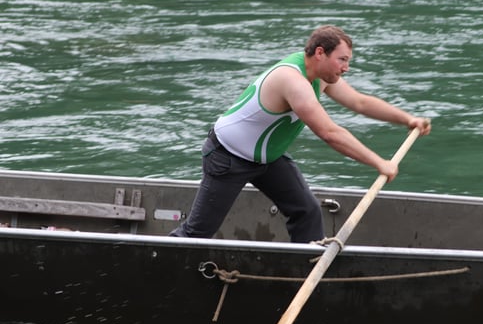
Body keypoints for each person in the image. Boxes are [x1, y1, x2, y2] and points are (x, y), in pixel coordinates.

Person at [170, 25, 431, 243]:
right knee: (198, 232)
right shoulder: (292, 81)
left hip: (268, 159)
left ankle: (304, 270)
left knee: (307, 211)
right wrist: (379, 163)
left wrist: (407, 119)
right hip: (228, 158)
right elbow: (329, 133)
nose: (346, 68)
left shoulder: (320, 75)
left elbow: (359, 102)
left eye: (348, 61)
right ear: (320, 53)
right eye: (342, 60)